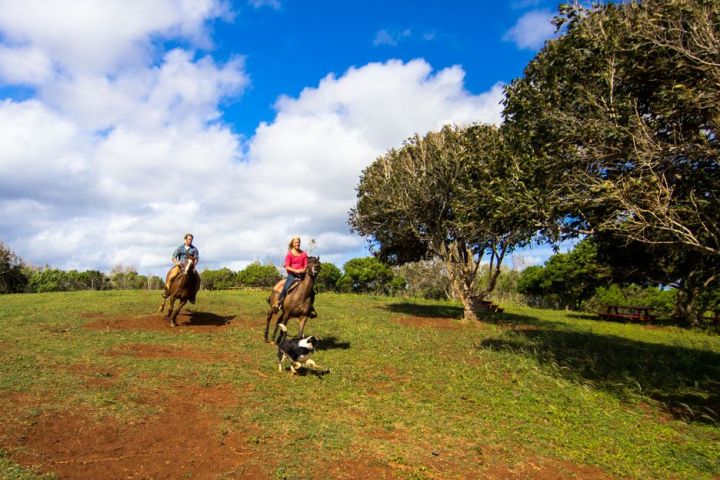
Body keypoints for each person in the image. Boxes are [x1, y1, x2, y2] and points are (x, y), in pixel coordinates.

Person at [274, 236, 308, 309]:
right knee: (286, 288)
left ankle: (310, 307)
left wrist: (303, 270)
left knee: (310, 289)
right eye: (296, 242)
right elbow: (287, 266)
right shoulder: (289, 254)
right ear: (292, 244)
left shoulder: (304, 254)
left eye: (298, 242)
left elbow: (306, 266)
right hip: (292, 275)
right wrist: (296, 270)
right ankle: (279, 304)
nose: (297, 244)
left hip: (302, 275)